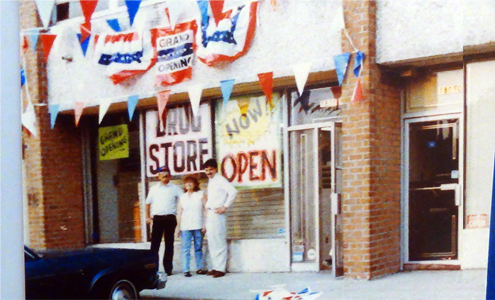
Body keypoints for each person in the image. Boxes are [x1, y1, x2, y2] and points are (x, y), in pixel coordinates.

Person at [145, 166, 184, 276]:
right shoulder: (153, 189)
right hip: (157, 219)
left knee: (169, 244)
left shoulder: (175, 188)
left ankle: (168, 269)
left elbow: (184, 200)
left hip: (170, 218)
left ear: (170, 176)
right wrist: (147, 217)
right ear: (158, 176)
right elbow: (147, 204)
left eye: (166, 173)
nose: (164, 175)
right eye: (162, 173)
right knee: (154, 245)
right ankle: (153, 268)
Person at [203, 158, 238, 278]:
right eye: (206, 170)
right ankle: (215, 266)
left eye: (211, 169)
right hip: (210, 213)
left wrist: (225, 207)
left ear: (216, 169)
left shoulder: (220, 179)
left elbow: (233, 191)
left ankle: (221, 268)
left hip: (218, 213)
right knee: (212, 241)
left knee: (219, 241)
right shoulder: (211, 181)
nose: (209, 172)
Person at [176, 175, 208, 277]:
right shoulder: (182, 197)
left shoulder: (200, 194)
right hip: (185, 226)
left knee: (198, 248)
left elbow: (205, 210)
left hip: (198, 225)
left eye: (191, 182)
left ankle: (199, 268)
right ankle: (186, 269)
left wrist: (205, 224)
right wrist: (178, 227)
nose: (189, 184)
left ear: (195, 184)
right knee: (186, 248)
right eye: (187, 183)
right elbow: (179, 213)